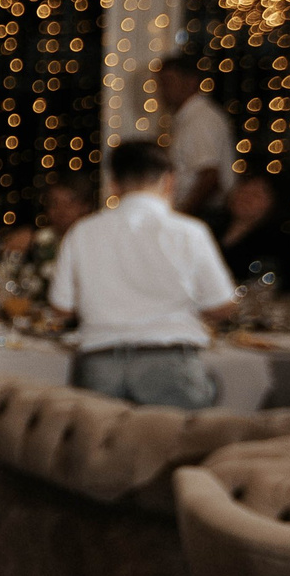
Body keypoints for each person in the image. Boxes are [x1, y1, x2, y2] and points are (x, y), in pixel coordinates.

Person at [49, 140, 238, 409]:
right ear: (168, 180)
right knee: (172, 448)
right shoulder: (188, 232)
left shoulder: (83, 231)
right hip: (170, 362)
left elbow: (61, 308)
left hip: (100, 363)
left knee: (100, 448)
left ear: (114, 183)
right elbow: (222, 305)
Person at [158, 56, 234, 220]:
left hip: (205, 214)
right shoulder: (188, 118)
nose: (162, 90)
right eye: (160, 83)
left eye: (168, 83)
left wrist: (184, 216)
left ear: (191, 82)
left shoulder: (200, 119)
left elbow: (210, 175)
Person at [219, 172, 290, 291]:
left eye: (255, 195)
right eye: (242, 191)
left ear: (272, 202)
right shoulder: (209, 227)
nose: (246, 198)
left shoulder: (280, 241)